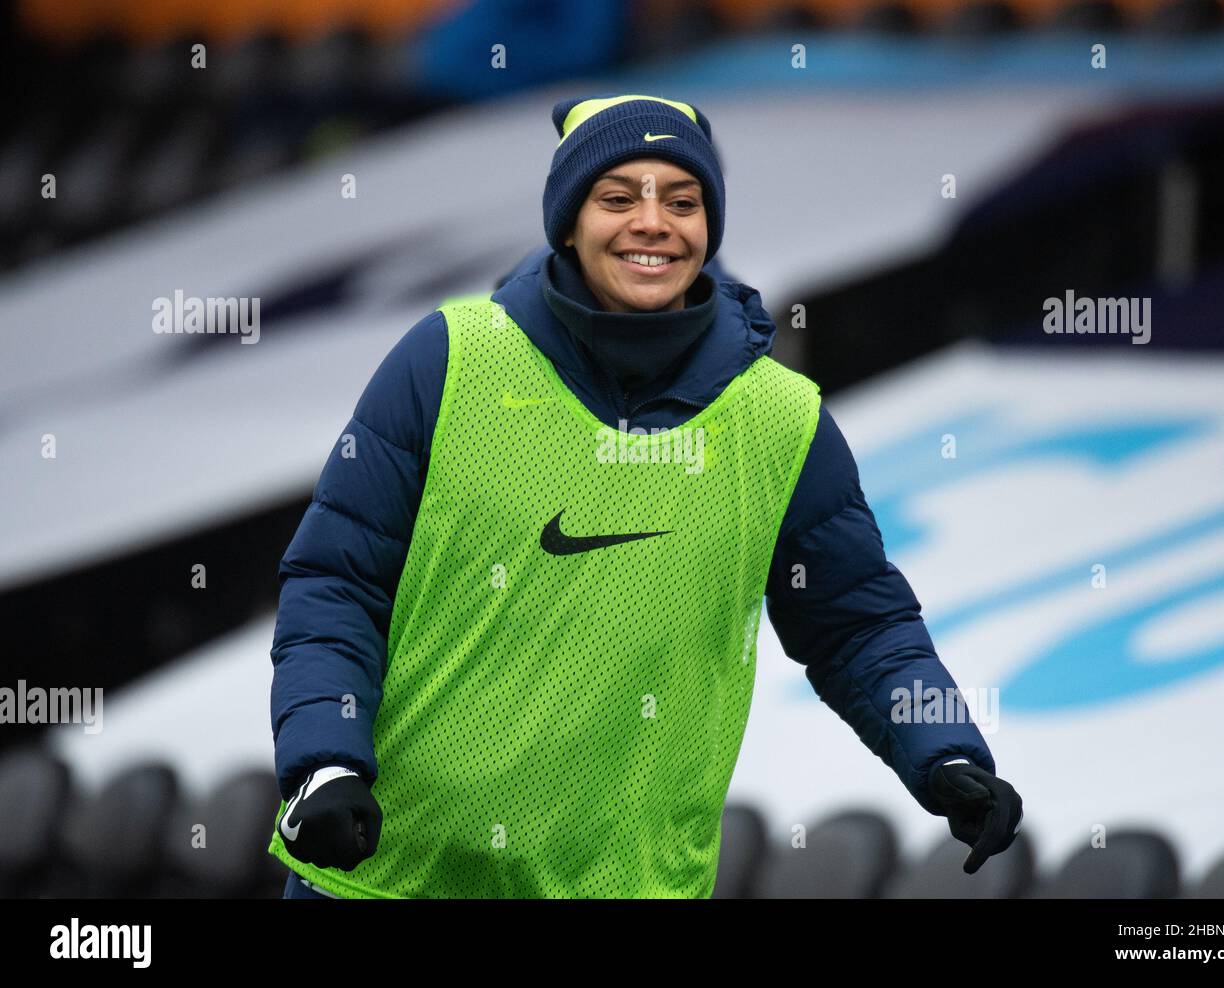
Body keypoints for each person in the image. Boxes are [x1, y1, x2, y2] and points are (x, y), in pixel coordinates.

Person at [266, 93, 1022, 899]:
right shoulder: (446, 359)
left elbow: (859, 625)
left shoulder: (782, 420)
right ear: (567, 222)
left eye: (683, 200)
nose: (653, 223)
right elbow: (337, 582)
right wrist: (325, 760)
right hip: (386, 878)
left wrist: (942, 751)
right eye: (618, 197)